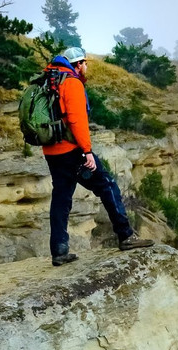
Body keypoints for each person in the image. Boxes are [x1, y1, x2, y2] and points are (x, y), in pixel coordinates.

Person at [42, 46, 153, 266]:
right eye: (84, 63)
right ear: (77, 64)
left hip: (51, 150)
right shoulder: (70, 82)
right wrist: (87, 151)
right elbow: (77, 120)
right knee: (107, 185)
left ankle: (59, 250)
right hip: (72, 150)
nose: (86, 67)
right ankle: (126, 235)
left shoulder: (48, 80)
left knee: (61, 197)